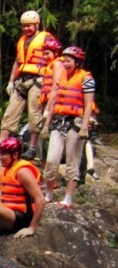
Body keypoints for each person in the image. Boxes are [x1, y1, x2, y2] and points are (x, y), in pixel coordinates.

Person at [0, 11, 54, 160]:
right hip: (22, 80)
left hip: (38, 80)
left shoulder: (45, 38)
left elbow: (53, 58)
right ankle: (1, 144)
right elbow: (17, 61)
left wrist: (50, 81)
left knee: (34, 114)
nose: (26, 29)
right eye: (24, 26)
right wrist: (11, 81)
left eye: (29, 26)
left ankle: (33, 148)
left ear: (36, 24)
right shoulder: (21, 41)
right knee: (10, 112)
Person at [40, 46, 95, 208]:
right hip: (59, 121)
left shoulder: (86, 79)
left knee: (72, 161)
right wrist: (46, 124)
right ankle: (48, 194)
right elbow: (56, 100)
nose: (65, 63)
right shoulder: (62, 77)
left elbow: (88, 105)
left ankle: (68, 198)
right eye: (64, 61)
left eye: (69, 61)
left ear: (77, 62)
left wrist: (85, 127)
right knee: (51, 160)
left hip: (76, 123)